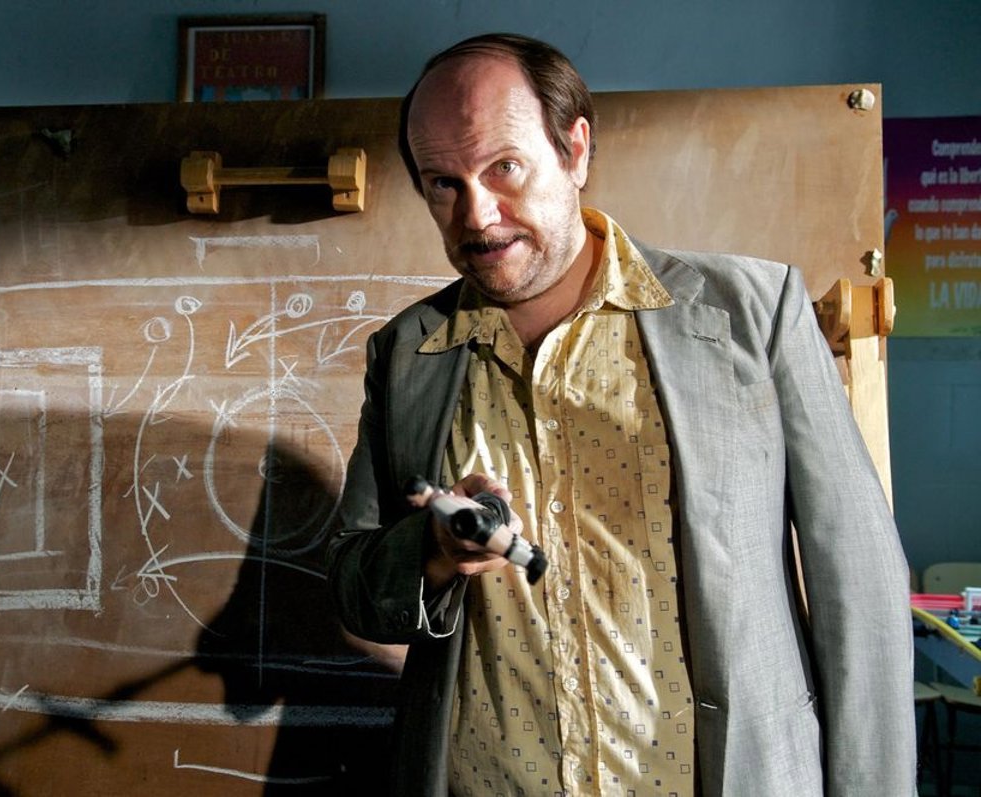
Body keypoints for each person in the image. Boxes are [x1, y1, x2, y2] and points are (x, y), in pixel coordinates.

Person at [326, 32, 916, 797]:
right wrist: (432, 551)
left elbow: (860, 589)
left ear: (575, 150)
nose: (477, 215)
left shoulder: (753, 314)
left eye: (504, 167)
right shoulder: (409, 352)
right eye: (444, 183)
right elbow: (354, 583)